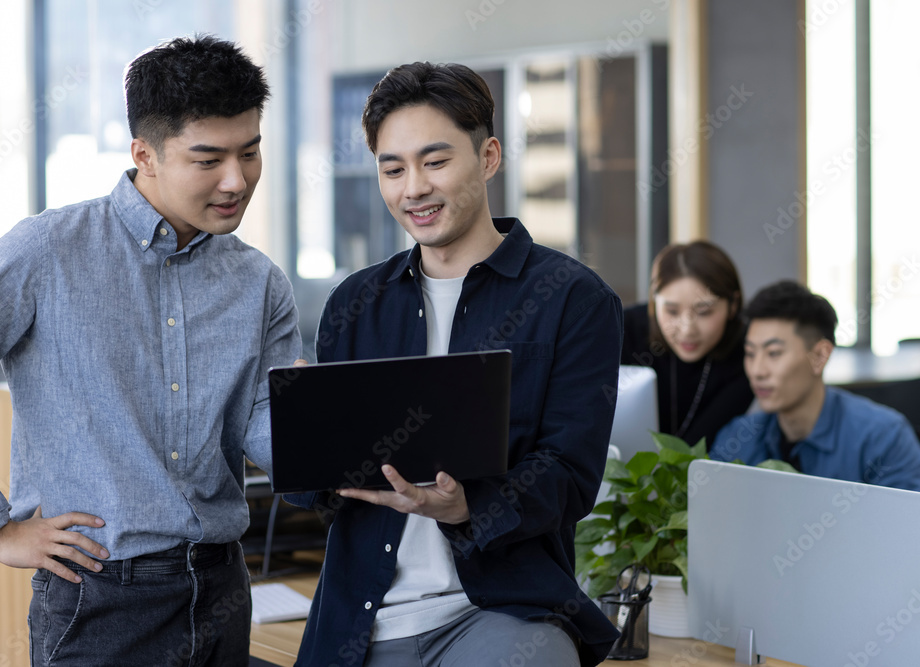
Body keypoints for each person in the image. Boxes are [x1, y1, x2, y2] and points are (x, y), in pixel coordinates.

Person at [0, 35, 302, 665]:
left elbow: (263, 428)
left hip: (222, 587)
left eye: (250, 152)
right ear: (144, 155)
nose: (237, 180)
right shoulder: (48, 250)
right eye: (208, 160)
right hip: (98, 598)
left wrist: (331, 434)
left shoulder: (259, 282)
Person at [286, 62, 623, 666]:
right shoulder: (355, 305)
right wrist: (306, 429)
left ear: (489, 156)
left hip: (497, 612)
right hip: (361, 622)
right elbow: (319, 494)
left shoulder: (574, 299)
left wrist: (468, 505)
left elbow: (569, 476)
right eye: (393, 169)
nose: (413, 187)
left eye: (435, 162)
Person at [711, 281, 920, 490]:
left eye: (773, 353)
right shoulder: (736, 439)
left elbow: (903, 521)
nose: (757, 370)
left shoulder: (884, 438)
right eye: (750, 354)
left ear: (820, 356)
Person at [621, 241, 754, 446]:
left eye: (704, 312)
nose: (687, 330)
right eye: (672, 311)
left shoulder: (749, 351)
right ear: (654, 302)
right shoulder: (623, 330)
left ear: (733, 305)